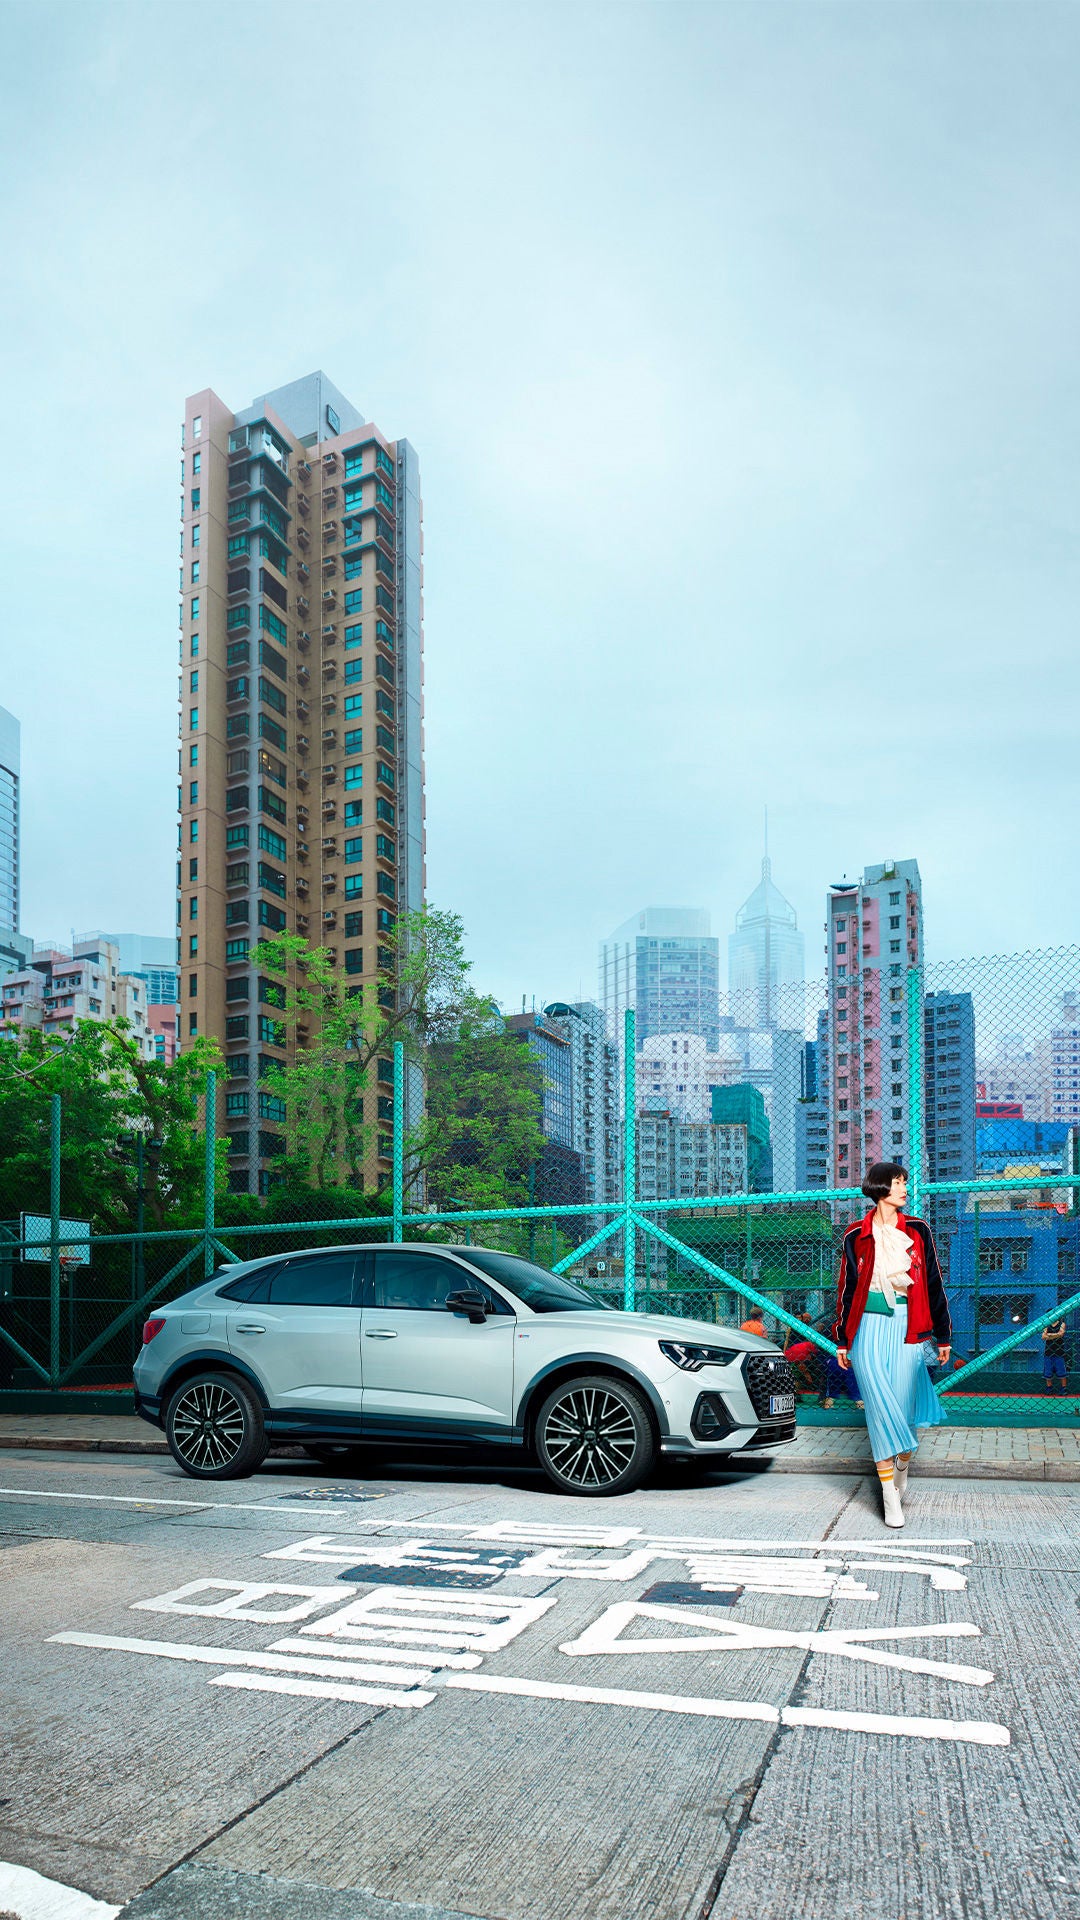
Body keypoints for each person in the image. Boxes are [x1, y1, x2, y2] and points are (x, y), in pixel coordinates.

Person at [834, 1162, 951, 1530]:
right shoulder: (855, 1234)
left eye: (905, 1182)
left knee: (901, 1412)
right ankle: (889, 1498)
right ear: (880, 1187)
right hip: (867, 1329)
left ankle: (901, 1467)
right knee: (879, 1410)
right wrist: (842, 1339)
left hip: (907, 1327)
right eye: (898, 1183)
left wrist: (943, 1334)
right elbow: (846, 1290)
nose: (905, 1189)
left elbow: (932, 1282)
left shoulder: (917, 1230)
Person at [1042, 1317, 1068, 1396]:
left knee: (1061, 1371)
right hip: (1048, 1352)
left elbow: (1061, 1334)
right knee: (1048, 1371)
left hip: (1059, 1352)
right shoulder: (1046, 1325)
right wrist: (1056, 1335)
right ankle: (1049, 1388)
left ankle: (1063, 1388)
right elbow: (1043, 1337)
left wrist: (1049, 1335)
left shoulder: (1062, 1324)